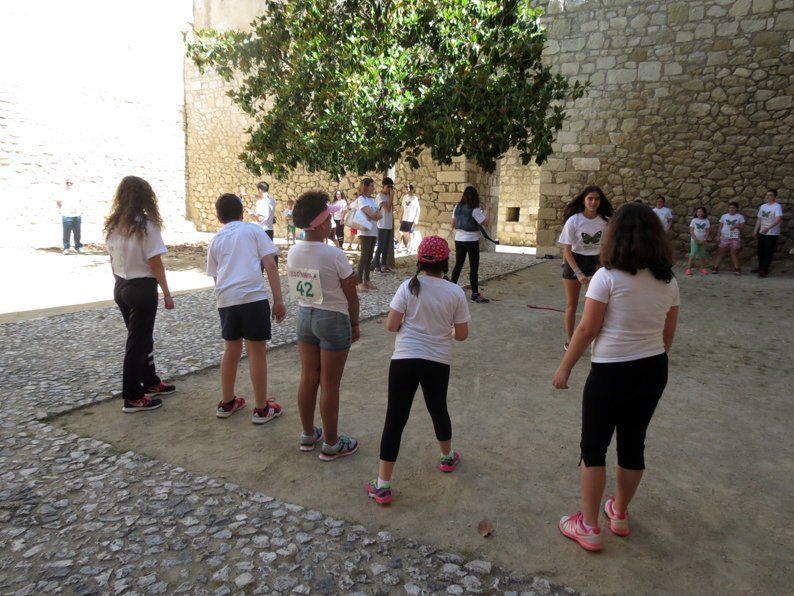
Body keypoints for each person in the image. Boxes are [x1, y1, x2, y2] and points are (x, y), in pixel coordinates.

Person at [552, 202, 680, 552]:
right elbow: (668, 335)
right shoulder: (668, 281)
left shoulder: (606, 278)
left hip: (610, 371)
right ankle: (619, 513)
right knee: (632, 444)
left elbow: (587, 329)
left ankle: (589, 525)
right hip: (653, 369)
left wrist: (565, 367)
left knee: (593, 446)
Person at [367, 236, 470, 505]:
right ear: (446, 264)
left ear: (419, 261)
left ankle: (383, 484)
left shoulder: (407, 287)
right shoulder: (455, 292)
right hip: (437, 360)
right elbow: (461, 335)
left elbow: (391, 325)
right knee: (438, 408)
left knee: (395, 418)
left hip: (404, 359)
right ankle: (447, 457)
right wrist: (444, 331)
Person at [287, 191, 361, 460]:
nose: (332, 222)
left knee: (308, 377)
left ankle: (308, 434)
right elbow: (351, 295)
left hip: (305, 317)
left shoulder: (293, 252)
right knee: (330, 383)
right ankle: (332, 442)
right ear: (319, 224)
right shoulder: (334, 255)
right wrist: (354, 322)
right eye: (329, 218)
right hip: (332, 318)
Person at [207, 193, 287, 423]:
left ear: (218, 216)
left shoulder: (216, 239)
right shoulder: (253, 231)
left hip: (227, 299)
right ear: (242, 212)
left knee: (230, 350)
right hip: (252, 296)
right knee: (256, 352)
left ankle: (227, 401)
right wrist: (278, 300)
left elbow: (215, 275)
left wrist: (224, 299)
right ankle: (262, 408)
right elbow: (270, 264)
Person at [104, 176, 176, 413]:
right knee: (137, 343)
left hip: (122, 285)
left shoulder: (114, 225)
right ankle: (133, 396)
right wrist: (166, 293)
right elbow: (156, 263)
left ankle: (151, 380)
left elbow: (112, 259)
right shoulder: (147, 226)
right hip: (142, 287)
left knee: (142, 338)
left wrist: (120, 284)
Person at [558, 186, 613, 350]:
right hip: (574, 262)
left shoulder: (605, 221)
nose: (593, 202)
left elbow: (606, 245)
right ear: (584, 200)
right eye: (590, 199)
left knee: (598, 305)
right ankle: (570, 340)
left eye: (596, 199)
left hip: (595, 262)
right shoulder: (574, 220)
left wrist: (600, 265)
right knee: (572, 305)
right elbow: (566, 250)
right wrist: (578, 273)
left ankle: (595, 339)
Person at [450, 186, 491, 303]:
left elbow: (452, 223)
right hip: (471, 240)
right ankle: (474, 294)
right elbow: (486, 222)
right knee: (474, 267)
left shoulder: (457, 207)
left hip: (459, 239)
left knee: (458, 264)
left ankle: (450, 290)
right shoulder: (475, 209)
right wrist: (488, 209)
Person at [352, 178, 381, 292]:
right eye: (372, 186)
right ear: (366, 186)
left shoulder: (372, 200)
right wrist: (375, 214)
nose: (373, 188)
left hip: (373, 230)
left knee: (369, 256)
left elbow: (379, 215)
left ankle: (367, 280)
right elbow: (374, 215)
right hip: (365, 232)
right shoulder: (361, 199)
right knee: (364, 256)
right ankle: (358, 282)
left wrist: (374, 214)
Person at [753, 189, 784, 278]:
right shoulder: (763, 206)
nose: (767, 196)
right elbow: (759, 219)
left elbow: (778, 219)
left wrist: (768, 228)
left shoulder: (777, 206)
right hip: (762, 232)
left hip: (772, 233)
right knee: (760, 251)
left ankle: (764, 270)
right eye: (767, 195)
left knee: (768, 252)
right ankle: (760, 268)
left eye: (770, 195)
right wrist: (755, 230)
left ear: (774, 197)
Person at [712, 202, 745, 275]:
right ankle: (715, 267)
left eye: (733, 208)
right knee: (721, 253)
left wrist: (736, 226)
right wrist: (718, 236)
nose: (731, 209)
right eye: (730, 208)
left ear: (736, 208)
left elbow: (742, 226)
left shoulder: (740, 217)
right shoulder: (724, 216)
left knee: (733, 253)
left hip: (734, 237)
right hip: (724, 236)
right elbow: (720, 226)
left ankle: (737, 268)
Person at [372, 177, 396, 273]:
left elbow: (390, 209)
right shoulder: (380, 196)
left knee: (386, 245)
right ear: (383, 185)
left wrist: (390, 197)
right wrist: (391, 197)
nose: (390, 188)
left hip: (388, 224)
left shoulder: (387, 195)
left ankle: (384, 265)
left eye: (391, 186)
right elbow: (387, 209)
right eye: (388, 186)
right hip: (382, 224)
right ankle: (376, 264)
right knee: (381, 245)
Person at [57, 178, 83, 254]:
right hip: (66, 215)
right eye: (67, 183)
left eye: (71, 183)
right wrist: (63, 209)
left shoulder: (77, 193)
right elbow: (58, 202)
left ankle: (78, 247)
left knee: (77, 232)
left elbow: (80, 201)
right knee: (66, 233)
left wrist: (77, 209)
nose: (69, 184)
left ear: (73, 184)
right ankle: (66, 248)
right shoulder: (62, 193)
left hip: (77, 215)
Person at [254, 181, 278, 265]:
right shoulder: (271, 200)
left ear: (260, 190)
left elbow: (261, 218)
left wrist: (252, 215)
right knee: (270, 252)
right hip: (270, 229)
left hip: (262, 230)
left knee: (261, 255)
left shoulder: (262, 202)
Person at [685, 206, 711, 276]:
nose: (699, 213)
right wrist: (695, 239)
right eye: (698, 212)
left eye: (701, 212)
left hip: (703, 241)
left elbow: (708, 231)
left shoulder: (706, 221)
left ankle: (702, 268)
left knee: (702, 254)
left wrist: (705, 239)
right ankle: (688, 269)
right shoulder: (694, 220)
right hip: (694, 240)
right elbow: (691, 230)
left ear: (704, 213)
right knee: (692, 254)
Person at [398, 184, 421, 253]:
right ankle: (400, 246)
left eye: (408, 188)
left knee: (410, 233)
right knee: (401, 232)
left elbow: (417, 209)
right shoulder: (404, 197)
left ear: (411, 189)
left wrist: (416, 219)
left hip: (411, 219)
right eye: (406, 188)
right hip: (405, 218)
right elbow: (402, 208)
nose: (407, 190)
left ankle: (410, 247)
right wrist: (400, 217)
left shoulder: (415, 198)